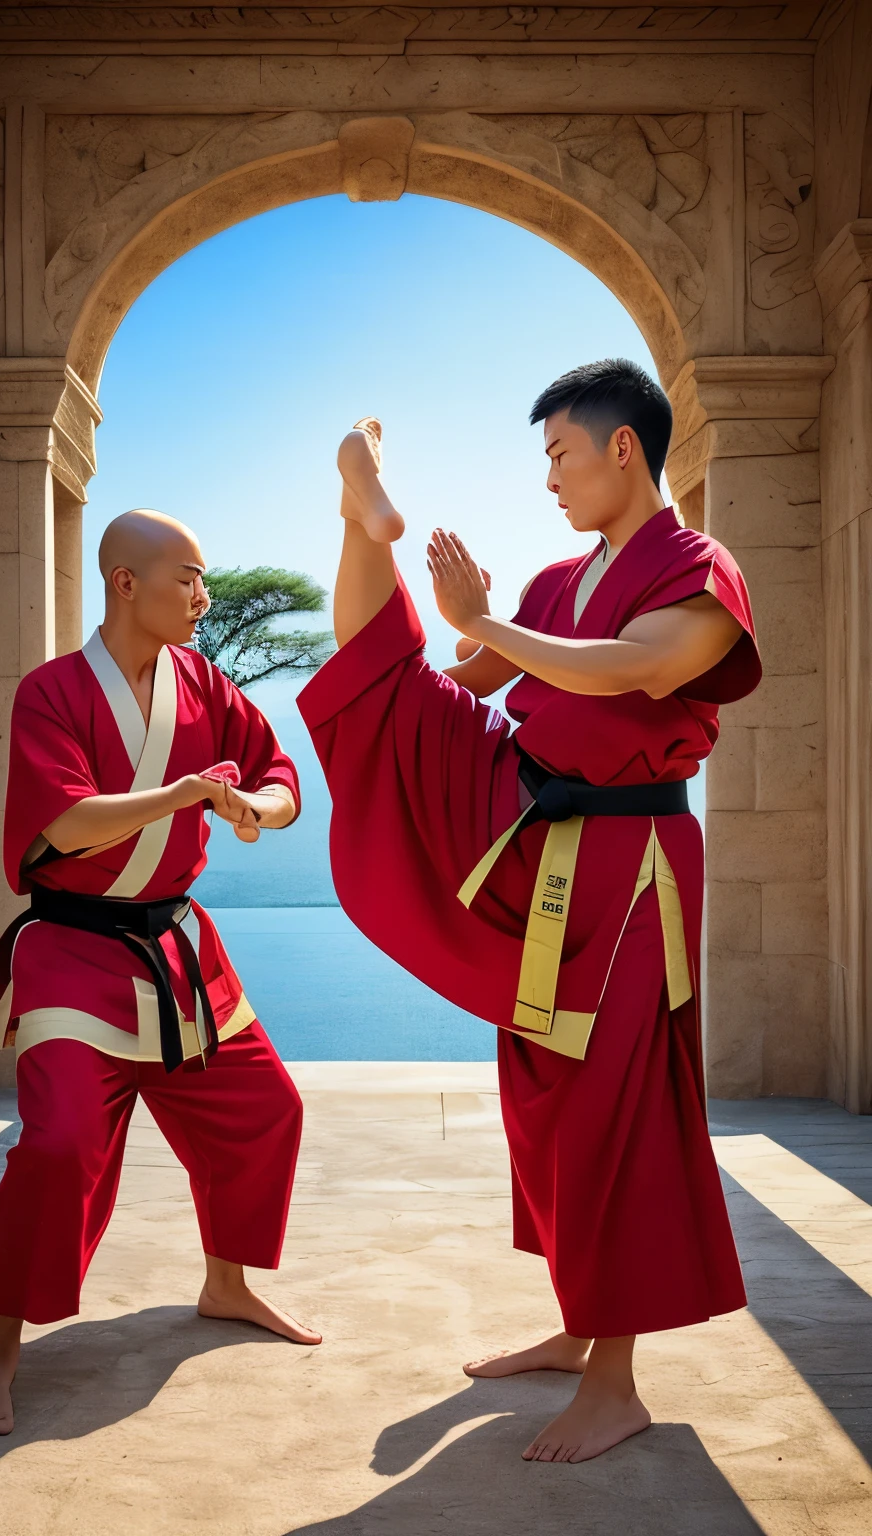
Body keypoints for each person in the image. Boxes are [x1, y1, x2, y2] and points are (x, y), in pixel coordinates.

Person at [298, 360, 760, 1464]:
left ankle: (617, 1381)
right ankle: (363, 521)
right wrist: (466, 628)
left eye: (558, 455)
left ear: (621, 450)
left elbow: (627, 672)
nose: (548, 479)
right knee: (390, 697)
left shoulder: (699, 570)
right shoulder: (560, 579)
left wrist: (491, 624)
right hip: (532, 821)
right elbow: (465, 678)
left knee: (614, 1105)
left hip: (628, 860)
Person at [0, 509, 321, 1436]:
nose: (202, 596)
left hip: (179, 950)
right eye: (187, 578)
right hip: (73, 952)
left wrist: (258, 809)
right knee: (58, 1146)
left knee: (266, 1110)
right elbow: (67, 823)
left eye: (203, 580)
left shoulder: (207, 684)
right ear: (125, 582)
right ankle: (0, 1348)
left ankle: (226, 1285)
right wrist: (189, 792)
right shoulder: (50, 693)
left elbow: (283, 776)